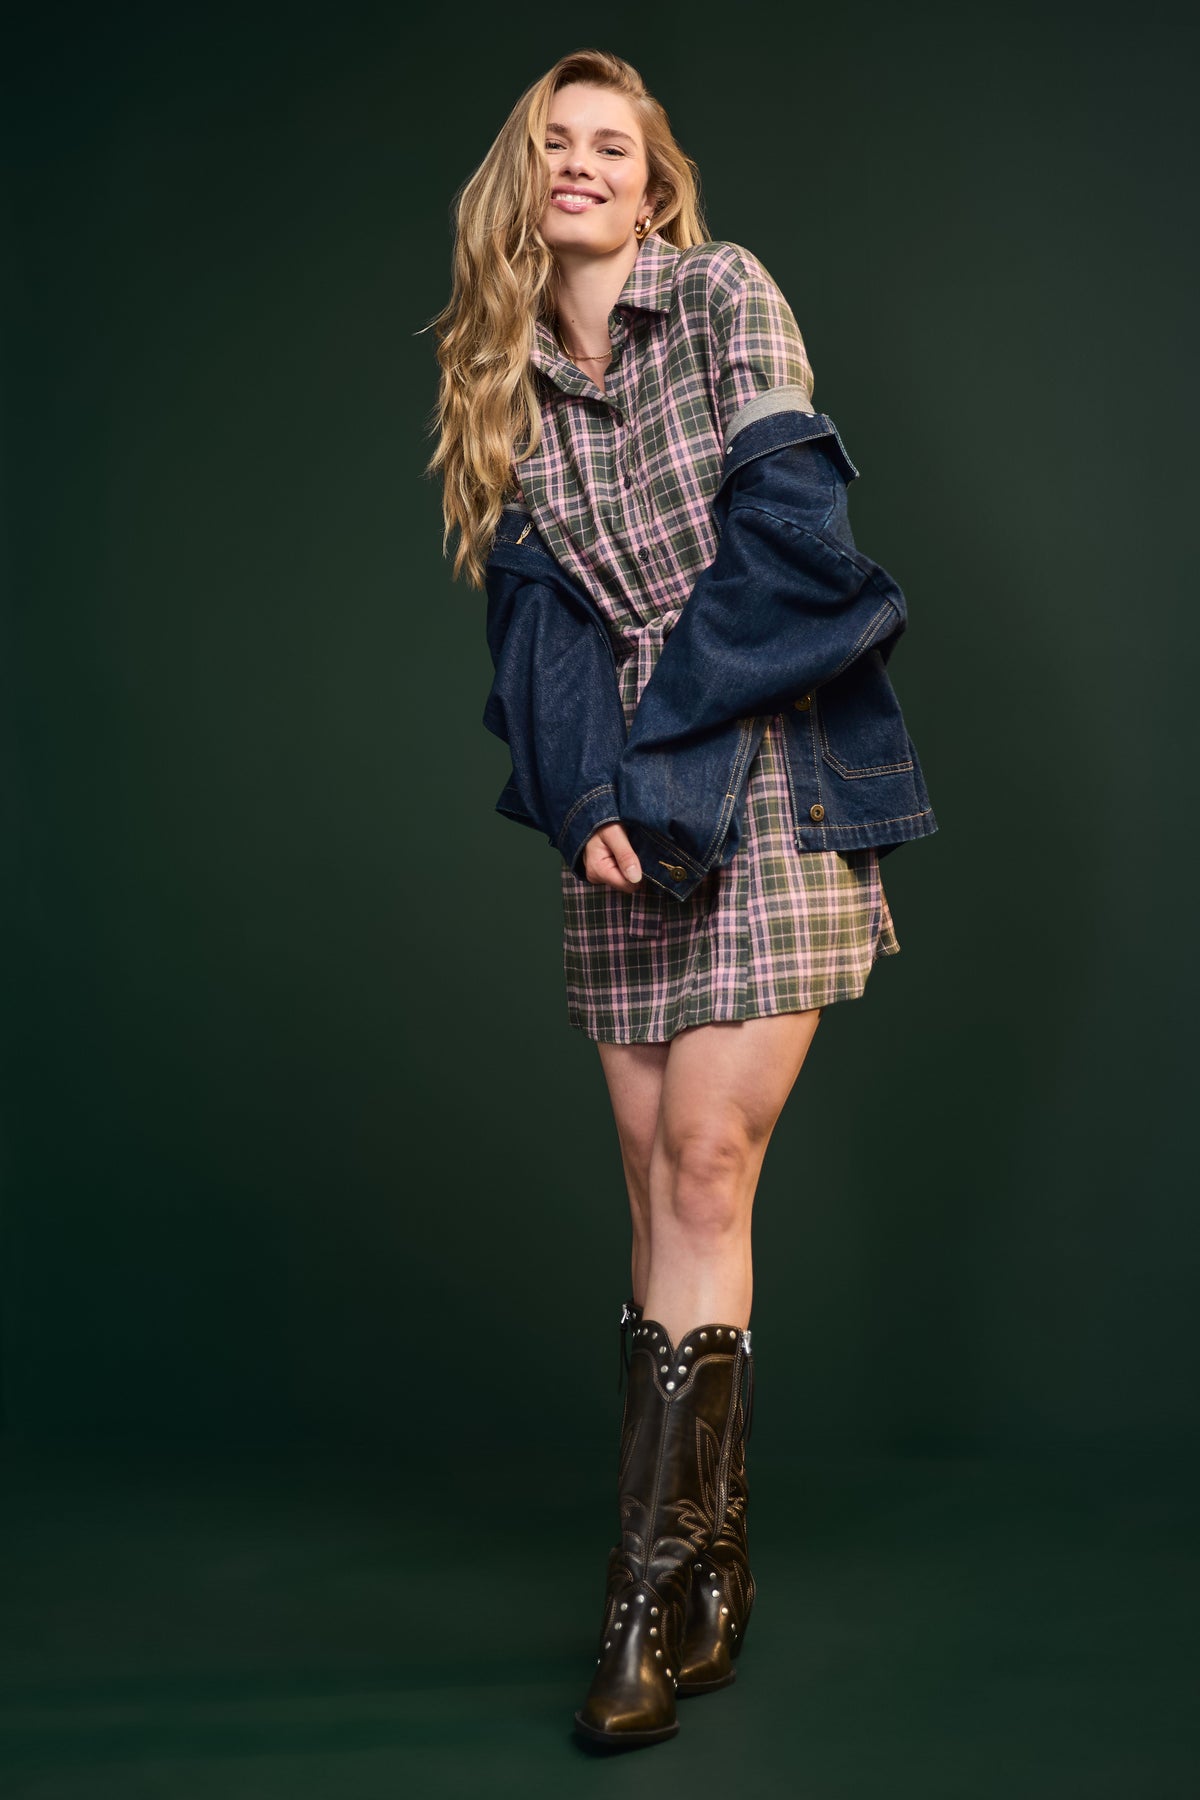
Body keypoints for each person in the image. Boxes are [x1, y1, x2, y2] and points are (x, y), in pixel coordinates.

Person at [427, 48, 936, 1751]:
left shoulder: (723, 297)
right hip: (631, 813)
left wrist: (649, 762)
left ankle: (640, 1602)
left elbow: (797, 545)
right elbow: (538, 637)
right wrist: (588, 799)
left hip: (768, 772)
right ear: (524, 180)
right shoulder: (505, 376)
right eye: (554, 143)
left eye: (613, 146)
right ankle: (707, 1572)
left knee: (710, 1159)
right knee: (658, 1181)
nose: (581, 164)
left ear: (655, 187)